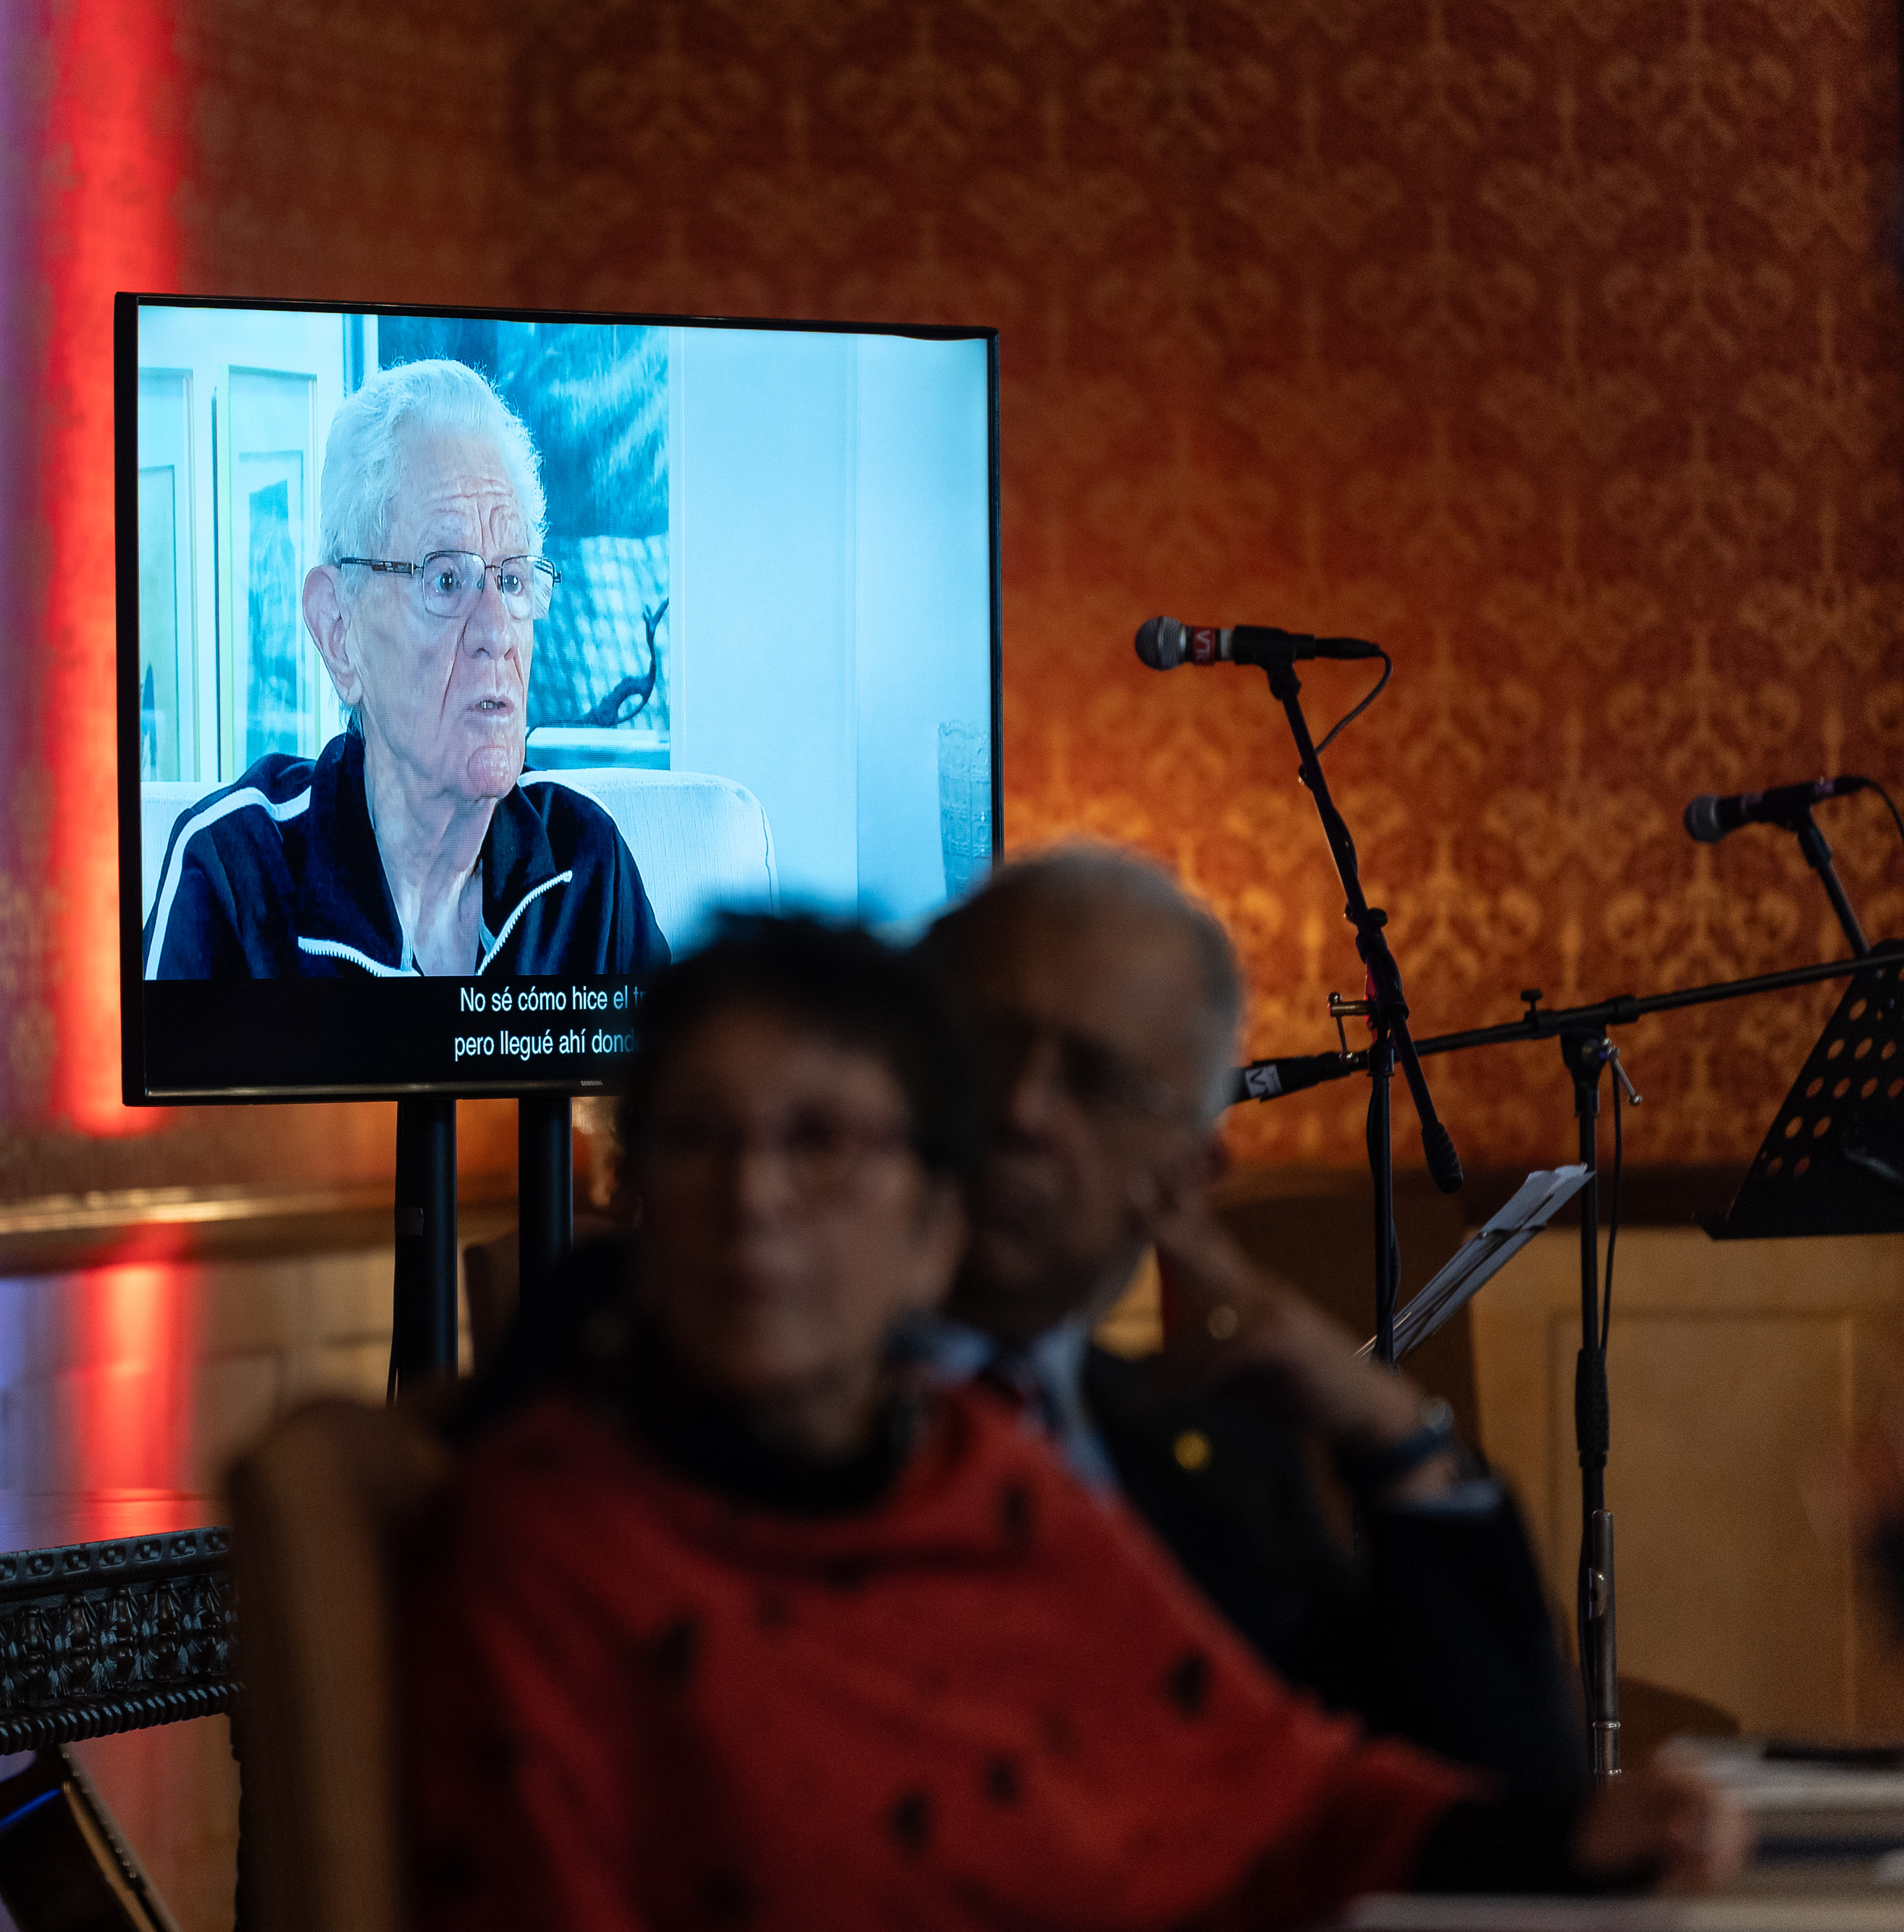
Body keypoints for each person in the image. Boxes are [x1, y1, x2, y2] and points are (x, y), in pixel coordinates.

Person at [400, 916, 1738, 1931]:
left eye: (822, 1145)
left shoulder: (986, 1482)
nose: (754, 1198)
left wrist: (1568, 1839)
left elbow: (1287, 1797)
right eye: (695, 1139)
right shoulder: (546, 1532)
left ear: (934, 1226)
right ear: (637, 1198)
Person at [914, 847, 1583, 1789]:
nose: (1022, 1109)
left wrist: (1391, 1432)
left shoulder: (1215, 1465)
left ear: (1187, 1175)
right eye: (986, 1046)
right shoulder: (735, 1400)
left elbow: (1494, 1805)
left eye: (1095, 1080)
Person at [141, 358, 667, 979]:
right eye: (448, 579)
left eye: (514, 579)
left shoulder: (588, 871)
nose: (497, 633)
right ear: (339, 631)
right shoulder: (234, 878)